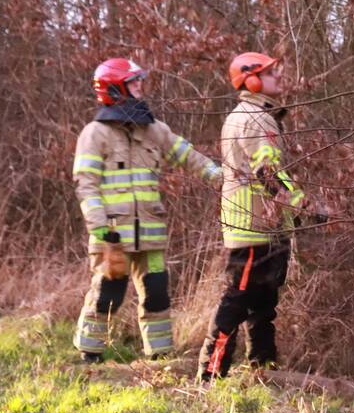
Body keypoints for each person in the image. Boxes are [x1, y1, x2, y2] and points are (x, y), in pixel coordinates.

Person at [72, 58, 222, 363]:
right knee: (108, 294)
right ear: (115, 88)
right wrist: (99, 226)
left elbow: (188, 156)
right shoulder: (95, 133)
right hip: (112, 236)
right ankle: (90, 354)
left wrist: (221, 177)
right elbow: (85, 184)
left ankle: (160, 356)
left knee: (156, 293)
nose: (140, 85)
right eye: (133, 81)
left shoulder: (154, 130)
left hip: (150, 235)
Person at [199, 51, 312, 381]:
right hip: (253, 225)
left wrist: (295, 208)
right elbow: (268, 172)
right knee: (237, 300)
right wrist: (303, 205)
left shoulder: (258, 115)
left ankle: (263, 369)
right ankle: (210, 372)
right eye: (269, 73)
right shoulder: (255, 118)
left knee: (262, 303)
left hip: (263, 225)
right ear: (251, 80)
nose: (277, 77)